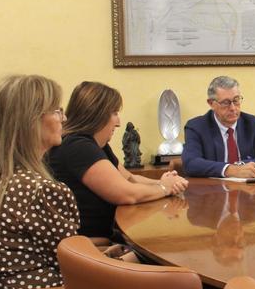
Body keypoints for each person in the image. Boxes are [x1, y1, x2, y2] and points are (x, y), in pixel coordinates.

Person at [0, 74, 79, 289]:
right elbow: (76, 263)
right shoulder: (41, 191)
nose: (64, 118)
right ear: (31, 120)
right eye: (57, 110)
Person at [49, 81, 188, 240]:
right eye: (114, 113)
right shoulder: (78, 146)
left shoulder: (96, 144)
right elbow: (126, 194)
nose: (119, 122)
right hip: (92, 246)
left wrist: (163, 182)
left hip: (109, 235)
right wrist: (165, 188)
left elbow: (130, 178)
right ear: (97, 114)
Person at [182, 75, 255, 178]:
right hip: (213, 191)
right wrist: (230, 170)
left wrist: (241, 165)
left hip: (248, 190)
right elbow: (190, 163)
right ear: (211, 103)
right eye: (225, 103)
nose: (233, 108)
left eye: (236, 100)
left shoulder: (252, 123)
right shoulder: (196, 127)